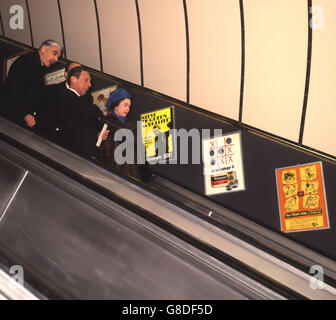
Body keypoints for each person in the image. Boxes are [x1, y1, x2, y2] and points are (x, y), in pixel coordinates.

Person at [1, 39, 62, 129]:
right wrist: (25, 114)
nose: (56, 59)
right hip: (11, 117)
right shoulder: (28, 62)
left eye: (58, 57)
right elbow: (16, 90)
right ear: (43, 49)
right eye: (54, 53)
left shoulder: (35, 63)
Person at [54, 66, 108, 159]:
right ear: (73, 79)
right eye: (86, 80)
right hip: (71, 155)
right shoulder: (68, 97)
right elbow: (93, 112)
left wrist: (97, 136)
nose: (89, 85)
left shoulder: (79, 101)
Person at [98, 87, 151, 182]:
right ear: (115, 104)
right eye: (125, 105)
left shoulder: (131, 125)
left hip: (134, 171)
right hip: (115, 172)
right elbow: (104, 152)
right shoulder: (105, 124)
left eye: (129, 106)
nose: (128, 109)